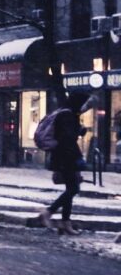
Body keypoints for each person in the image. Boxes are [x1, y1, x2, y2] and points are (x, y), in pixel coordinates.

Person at [39, 92, 95, 235]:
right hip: (66, 157)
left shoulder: (68, 114)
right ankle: (49, 212)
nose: (86, 108)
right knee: (73, 189)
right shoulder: (67, 115)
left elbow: (67, 136)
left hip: (64, 156)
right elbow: (67, 139)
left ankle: (65, 223)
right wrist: (75, 159)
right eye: (85, 104)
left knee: (70, 189)